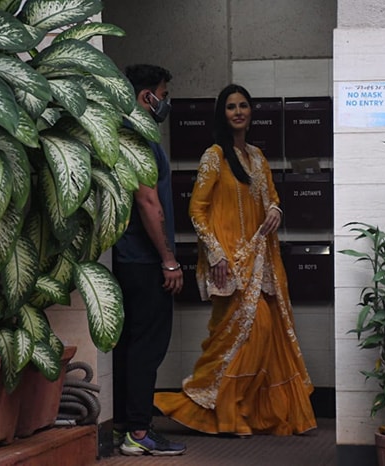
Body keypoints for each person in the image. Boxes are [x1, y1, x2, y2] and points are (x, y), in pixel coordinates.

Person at [154, 84, 317, 436]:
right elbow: (197, 210)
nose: (238, 112)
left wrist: (275, 209)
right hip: (229, 263)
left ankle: (239, 411)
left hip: (261, 262)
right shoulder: (215, 156)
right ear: (222, 114)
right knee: (244, 332)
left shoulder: (257, 157)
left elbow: (272, 197)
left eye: (244, 105)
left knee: (263, 332)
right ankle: (221, 411)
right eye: (231, 107)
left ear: (251, 112)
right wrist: (216, 254)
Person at [111, 64, 186, 456]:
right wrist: (168, 260)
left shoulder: (123, 134)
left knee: (130, 344)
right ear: (147, 97)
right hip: (143, 260)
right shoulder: (140, 139)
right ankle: (139, 434)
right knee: (147, 346)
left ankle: (126, 423)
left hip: (128, 258)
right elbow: (148, 201)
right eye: (163, 93)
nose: (166, 102)